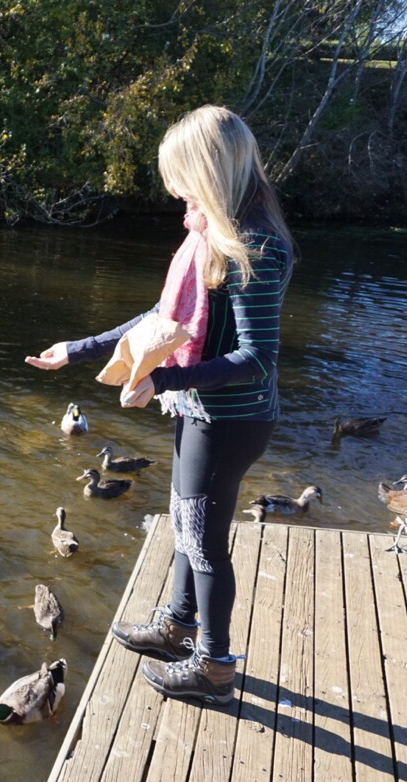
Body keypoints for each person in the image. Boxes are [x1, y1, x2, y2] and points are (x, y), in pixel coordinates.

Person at [26, 105, 294, 705]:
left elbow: (257, 358)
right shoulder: (211, 235)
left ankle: (213, 666)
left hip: (230, 419)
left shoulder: (253, 247)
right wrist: (76, 348)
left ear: (210, 171)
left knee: (203, 539)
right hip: (204, 412)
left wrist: (169, 383)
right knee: (185, 521)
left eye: (182, 182)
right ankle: (176, 625)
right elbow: (161, 321)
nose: (176, 198)